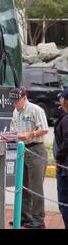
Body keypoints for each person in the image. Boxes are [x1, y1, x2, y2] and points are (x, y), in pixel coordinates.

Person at [8, 86, 49, 229]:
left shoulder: (35, 110)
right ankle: (24, 216)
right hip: (22, 149)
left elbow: (45, 129)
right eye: (12, 101)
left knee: (36, 187)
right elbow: (14, 129)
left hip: (36, 149)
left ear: (24, 98)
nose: (14, 103)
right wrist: (9, 136)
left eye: (16, 100)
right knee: (23, 185)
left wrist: (30, 134)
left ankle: (38, 219)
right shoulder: (15, 111)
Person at [53, 88, 68, 228]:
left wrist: (58, 157)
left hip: (65, 168)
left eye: (61, 98)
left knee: (64, 202)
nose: (60, 100)